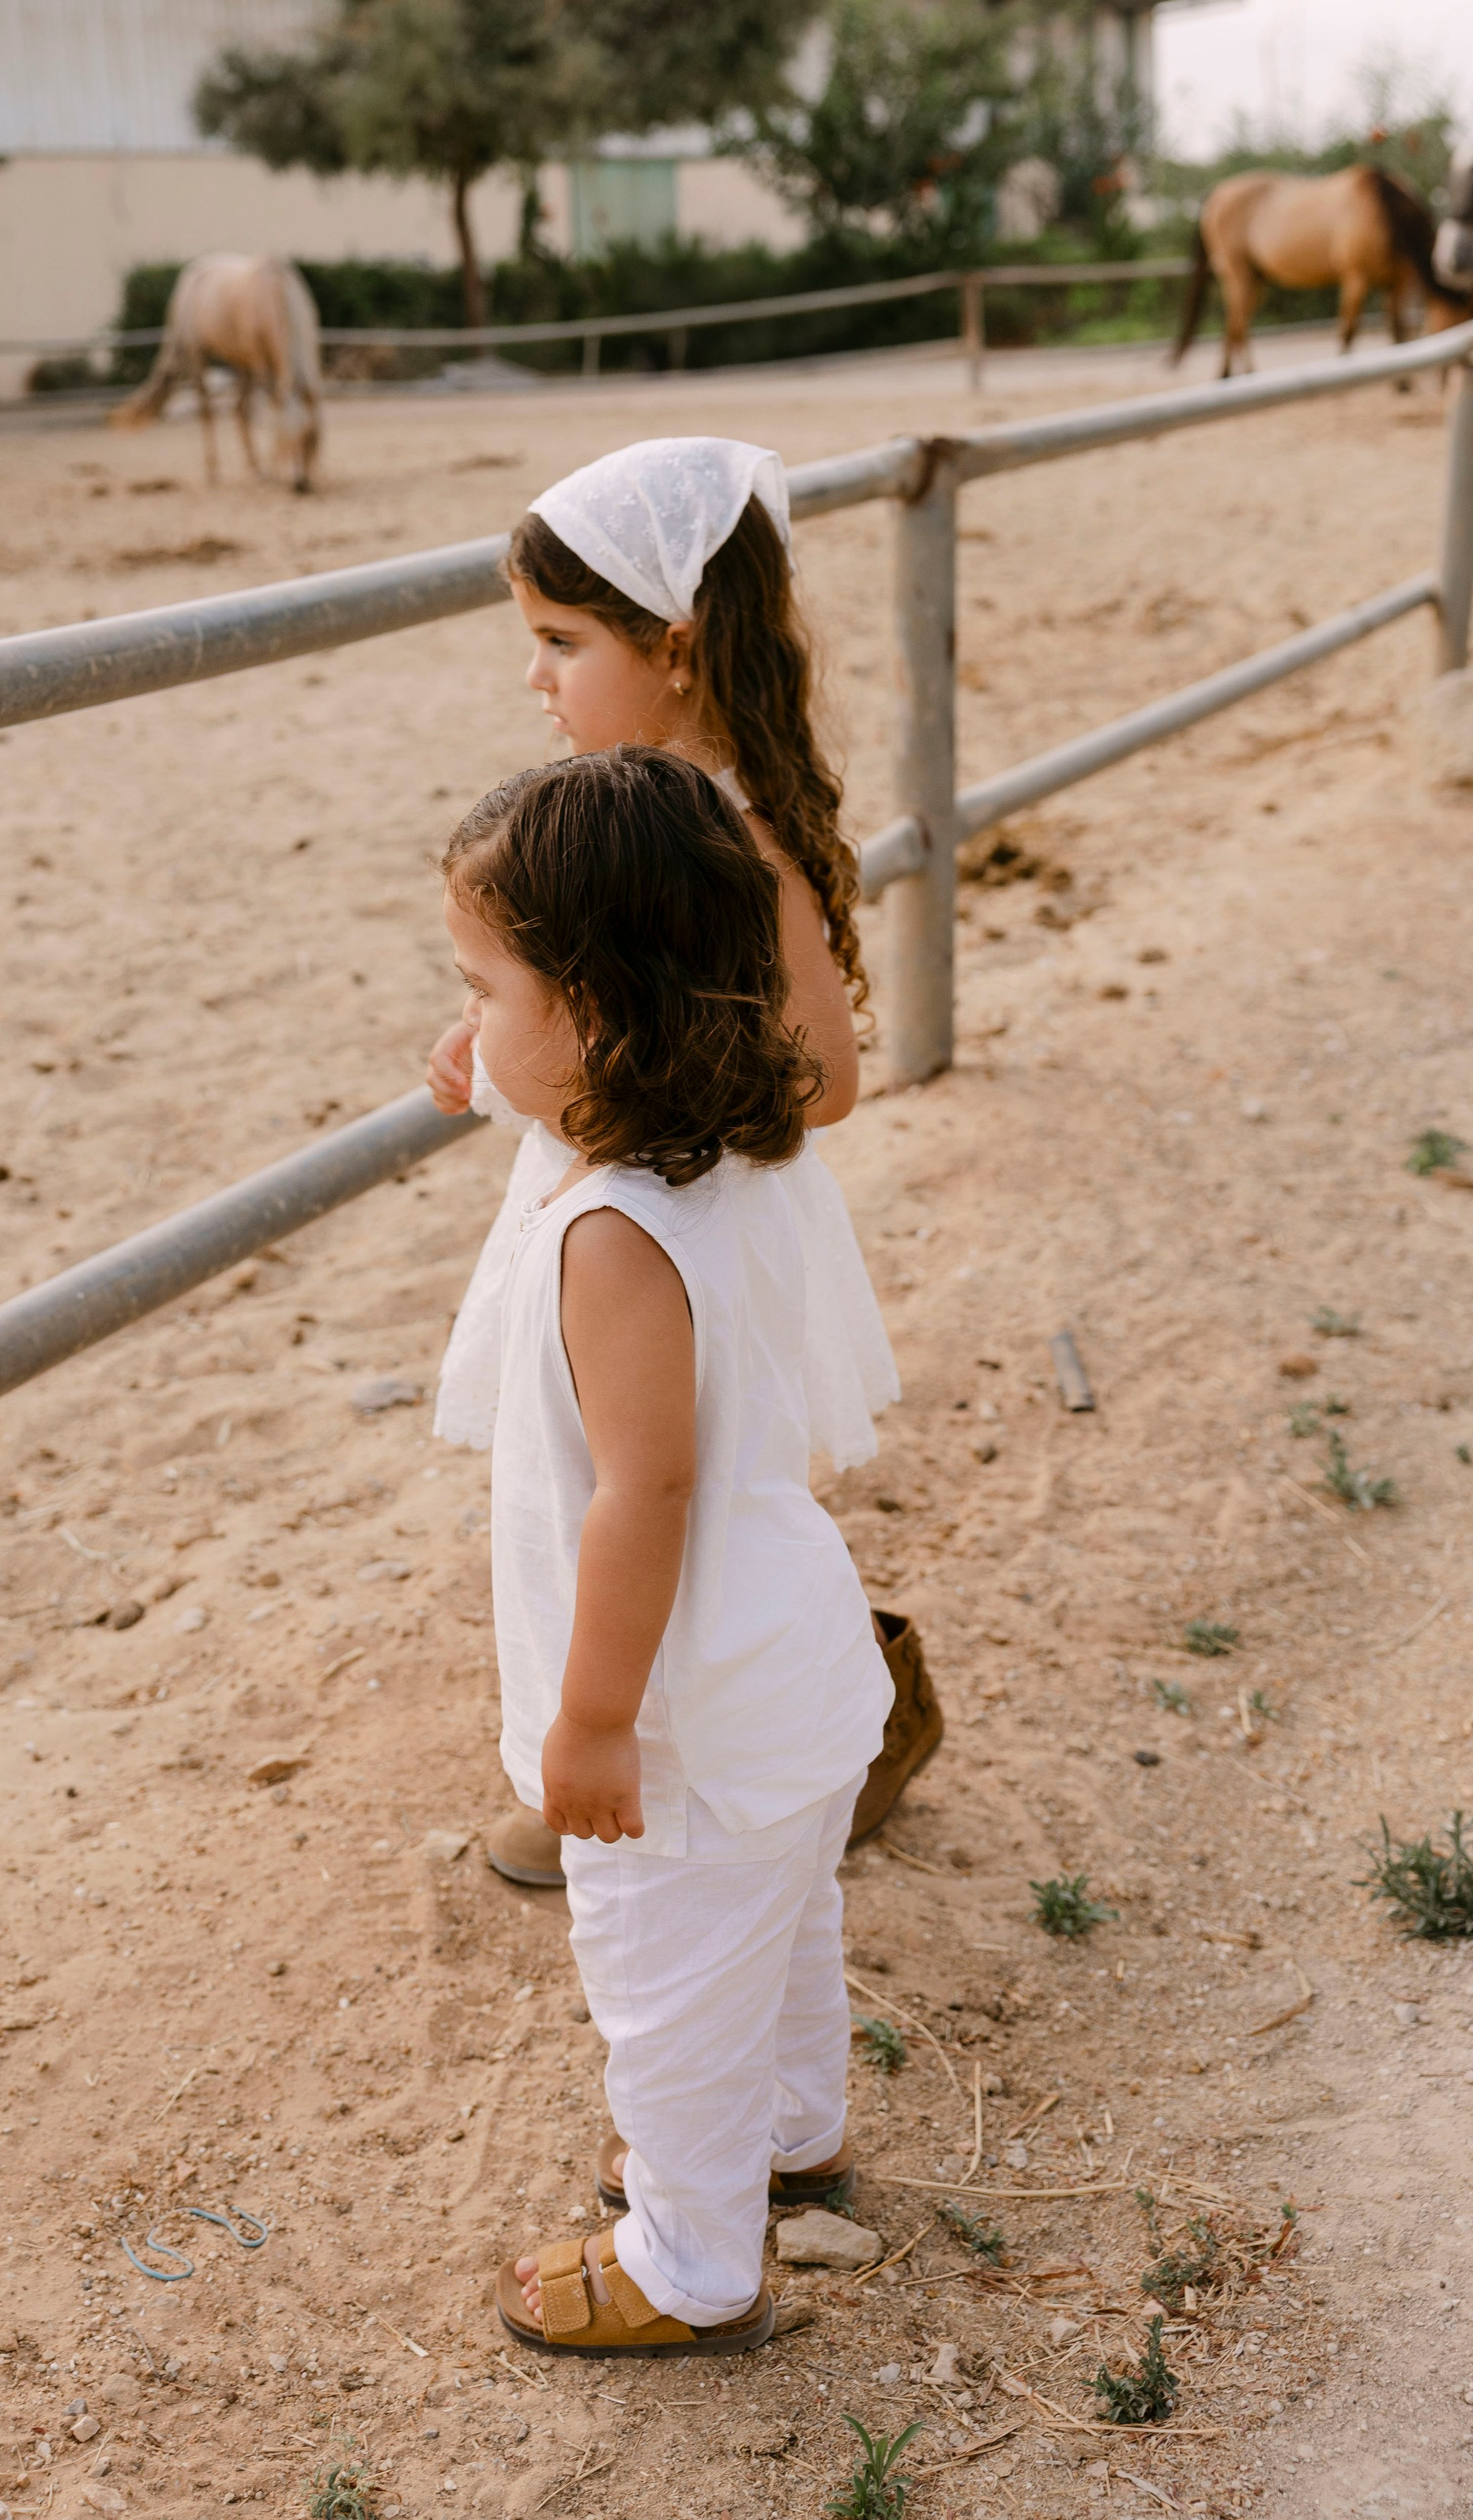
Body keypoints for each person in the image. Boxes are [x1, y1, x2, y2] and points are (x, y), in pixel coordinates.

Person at [427, 439, 939, 1887]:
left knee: (671, 1486)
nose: (537, 679)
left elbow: (827, 1075)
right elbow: (564, 977)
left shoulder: (733, 830)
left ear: (677, 645)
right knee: (581, 1476)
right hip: (602, 1204)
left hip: (691, 1222)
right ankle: (589, 1734)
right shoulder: (616, 814)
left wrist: (676, 1076)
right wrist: (484, 1031)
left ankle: (706, 1750)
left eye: (562, 642)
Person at [440, 749, 892, 2357]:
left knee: (666, 1989)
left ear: (593, 1010)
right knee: (780, 1934)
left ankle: (688, 2262)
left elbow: (644, 1493)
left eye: (483, 987)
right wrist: (489, 1055)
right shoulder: (743, 1144)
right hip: (796, 1660)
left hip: (685, 1709)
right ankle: (791, 2139)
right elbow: (542, 1075)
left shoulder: (612, 1235)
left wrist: (588, 1722)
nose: (471, 1022)